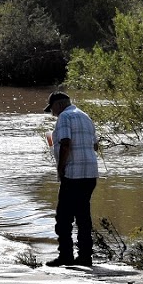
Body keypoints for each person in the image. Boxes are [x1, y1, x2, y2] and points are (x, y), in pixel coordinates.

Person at [43, 91, 99, 267]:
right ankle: (85, 256)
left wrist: (60, 169)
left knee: (63, 218)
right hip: (90, 173)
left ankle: (65, 255)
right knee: (83, 215)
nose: (52, 114)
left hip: (73, 173)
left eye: (52, 109)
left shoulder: (64, 117)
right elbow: (95, 145)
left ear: (58, 105)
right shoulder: (85, 116)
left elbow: (65, 143)